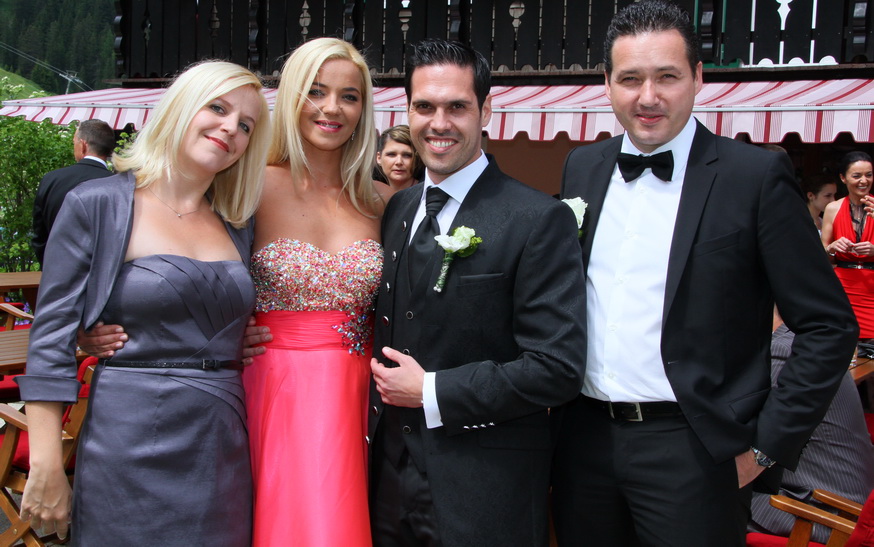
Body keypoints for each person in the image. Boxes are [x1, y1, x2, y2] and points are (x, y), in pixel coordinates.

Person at [551, 2, 858, 546]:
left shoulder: (754, 176)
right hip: (583, 442)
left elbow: (829, 326)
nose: (648, 97)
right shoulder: (583, 166)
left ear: (697, 77)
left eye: (667, 76)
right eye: (630, 79)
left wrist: (765, 447)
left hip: (695, 451)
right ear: (607, 84)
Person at [17, 60, 271, 544]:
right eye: (217, 108)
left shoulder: (239, 223)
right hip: (127, 437)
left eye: (246, 125)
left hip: (219, 442)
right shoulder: (97, 204)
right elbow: (49, 341)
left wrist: (232, 336)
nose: (230, 129)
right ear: (180, 108)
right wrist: (46, 464)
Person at [368, 38, 586, 546]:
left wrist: (432, 391)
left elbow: (557, 368)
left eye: (457, 107)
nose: (438, 123)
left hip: (484, 490)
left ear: (486, 111)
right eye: (424, 107)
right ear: (407, 111)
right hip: (386, 481)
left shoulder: (537, 218)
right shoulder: (398, 210)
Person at [242, 37, 389, 546]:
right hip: (271, 385)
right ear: (291, 98)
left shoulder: (383, 201)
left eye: (349, 96)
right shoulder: (249, 186)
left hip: (361, 393)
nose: (332, 108)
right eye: (316, 91)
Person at [748, 309, 874, 543]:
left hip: (826, 512)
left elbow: (742, 432)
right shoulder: (807, 343)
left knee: (697, 500)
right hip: (850, 498)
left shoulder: (782, 351)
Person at [31, 119, 116, 264]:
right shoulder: (119, 184)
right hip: (105, 270)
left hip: (58, 267)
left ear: (83, 145)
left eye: (74, 143)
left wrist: (50, 268)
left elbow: (40, 236)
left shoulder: (51, 180)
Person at [822, 151, 874, 340]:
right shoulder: (833, 208)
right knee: (843, 342)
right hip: (842, 288)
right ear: (843, 178)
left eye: (869, 175)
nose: (864, 181)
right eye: (857, 176)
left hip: (871, 287)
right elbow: (821, 256)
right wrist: (832, 248)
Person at [376, 124, 421, 192]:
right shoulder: (370, 194)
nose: (399, 162)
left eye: (407, 155)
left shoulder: (427, 194)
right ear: (379, 158)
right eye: (391, 155)